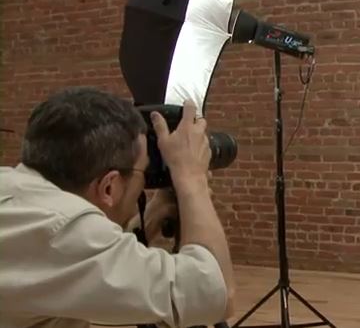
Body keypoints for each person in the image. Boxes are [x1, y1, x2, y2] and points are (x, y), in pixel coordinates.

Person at [0, 87, 236, 328]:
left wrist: (153, 214)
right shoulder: (61, 231)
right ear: (108, 187)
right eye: (142, 172)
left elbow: (91, 258)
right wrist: (191, 178)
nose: (145, 182)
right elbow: (214, 294)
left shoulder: (20, 199)